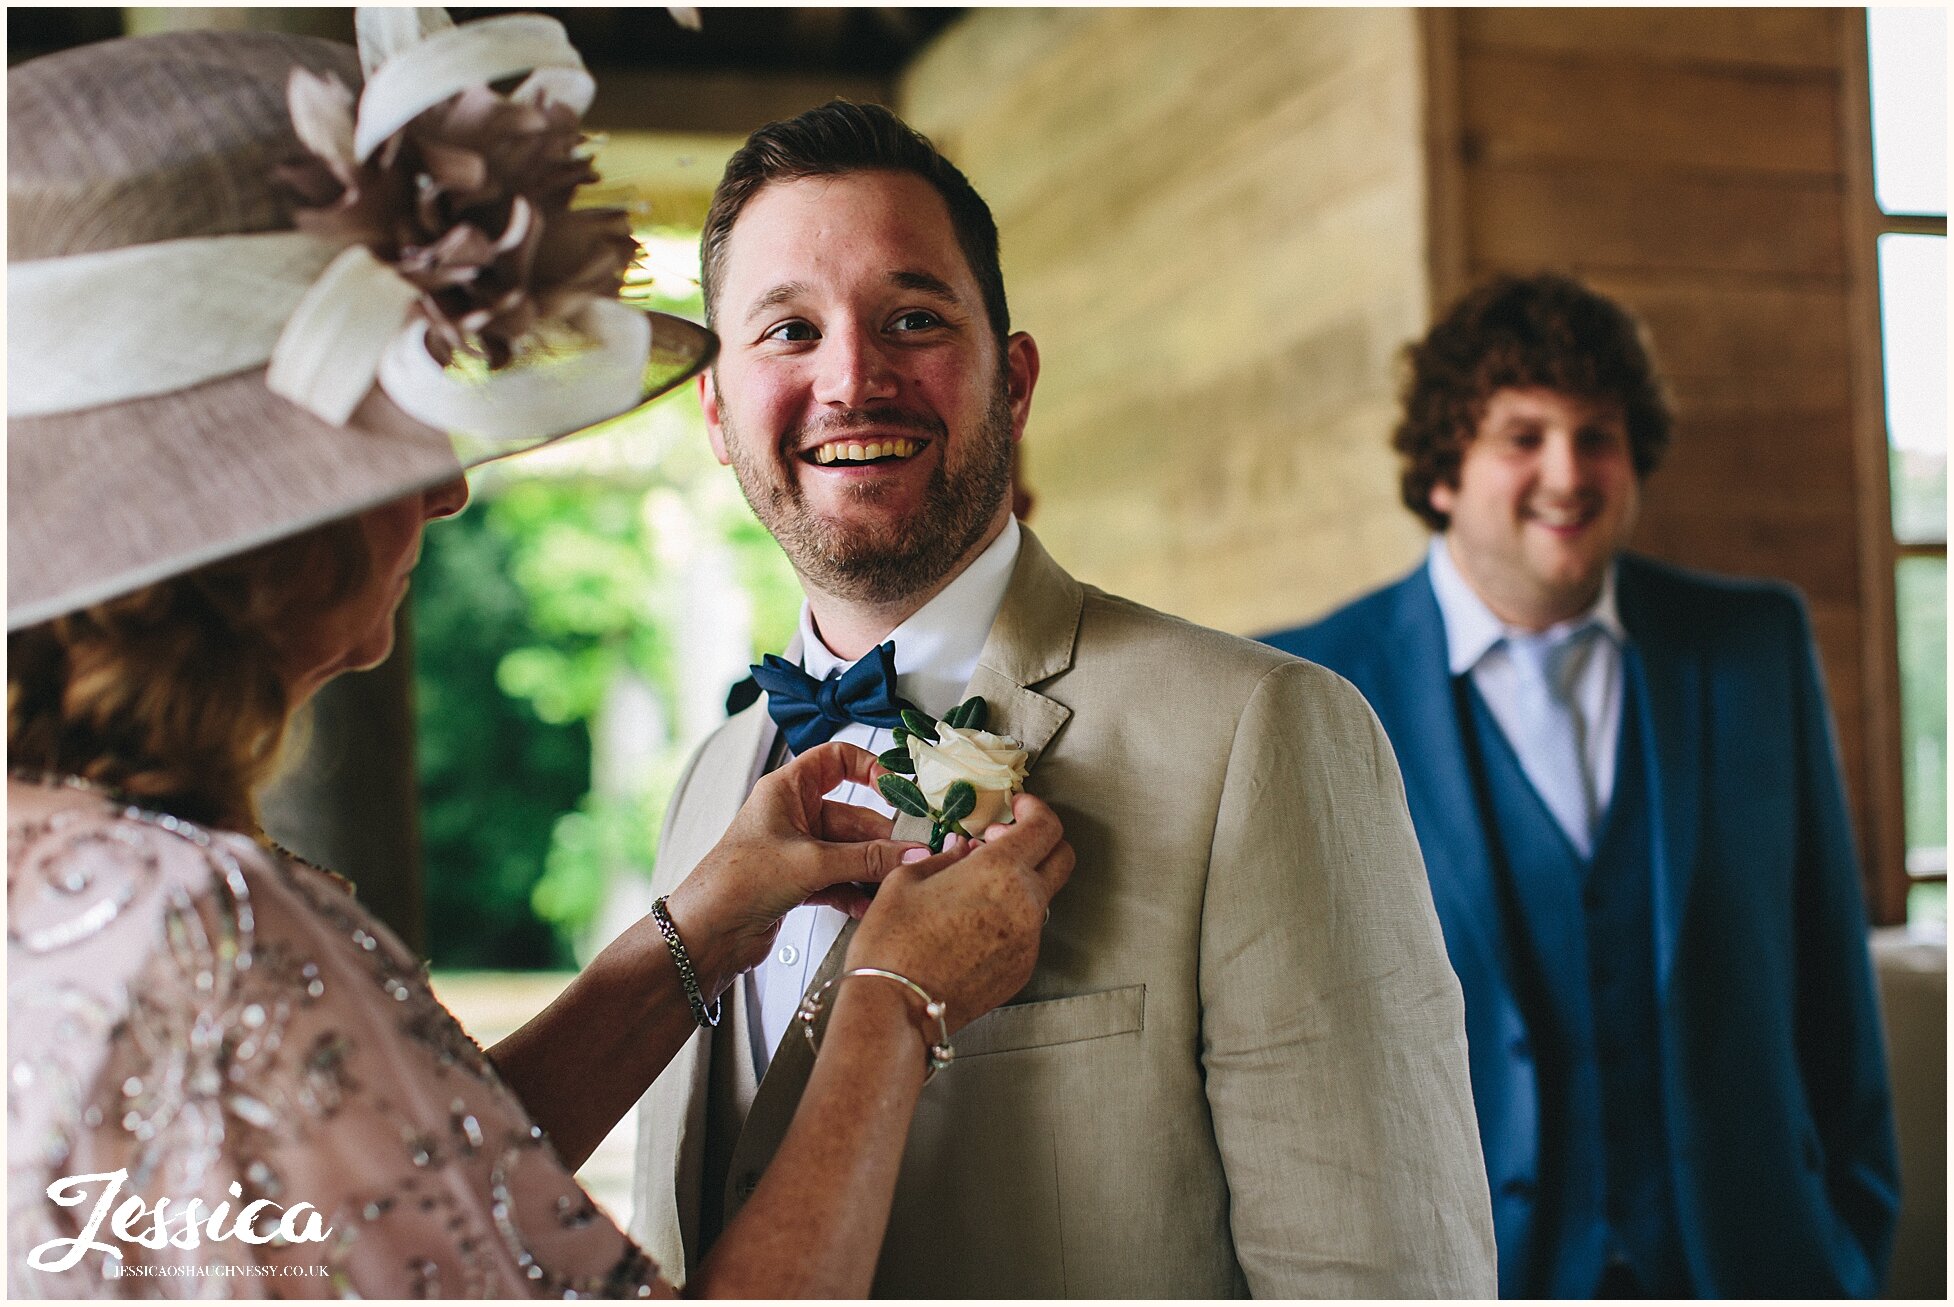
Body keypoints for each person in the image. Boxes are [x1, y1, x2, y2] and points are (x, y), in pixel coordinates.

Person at [7, 14, 1073, 1298]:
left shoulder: (67, 871)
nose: (449, 492)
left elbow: (384, 1193)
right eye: (408, 431)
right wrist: (895, 996)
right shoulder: (201, 929)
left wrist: (690, 931)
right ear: (257, 511)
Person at [628, 100, 1495, 1298]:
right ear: (717, 413)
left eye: (913, 319)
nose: (853, 377)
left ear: (1014, 378)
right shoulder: (709, 784)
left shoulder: (1257, 734)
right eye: (788, 330)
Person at [1264, 273, 1900, 1297]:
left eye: (1596, 434)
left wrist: (1849, 1243)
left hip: (1752, 1266)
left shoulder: (1751, 648)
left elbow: (1828, 977)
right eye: (1522, 436)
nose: (1567, 472)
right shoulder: (1311, 684)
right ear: (1442, 473)